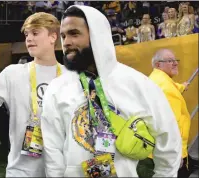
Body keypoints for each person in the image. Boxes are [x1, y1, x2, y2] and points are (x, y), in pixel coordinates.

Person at [41, 5, 182, 177]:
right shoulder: (57, 88)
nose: (66, 42)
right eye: (63, 36)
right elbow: (52, 150)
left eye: (74, 34)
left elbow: (168, 139)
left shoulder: (137, 84)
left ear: (96, 35)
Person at [0, 12, 66, 177]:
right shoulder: (13, 74)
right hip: (21, 171)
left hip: (61, 170)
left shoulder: (70, 77)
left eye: (35, 33)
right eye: (26, 34)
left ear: (53, 37)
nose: (28, 39)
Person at [149, 49, 192, 178]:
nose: (175, 63)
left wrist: (182, 86)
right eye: (169, 61)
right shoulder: (166, 87)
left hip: (154, 151)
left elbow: (172, 88)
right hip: (170, 153)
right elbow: (172, 126)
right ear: (158, 65)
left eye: (175, 60)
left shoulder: (155, 79)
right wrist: (177, 155)